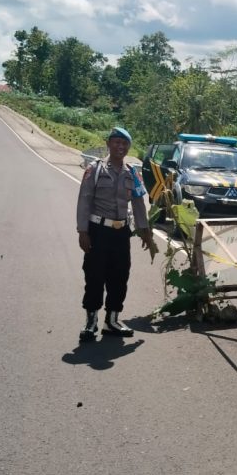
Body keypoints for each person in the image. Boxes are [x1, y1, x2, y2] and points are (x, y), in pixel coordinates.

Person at [76, 127, 157, 340]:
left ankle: (112, 321)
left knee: (120, 276)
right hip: (98, 231)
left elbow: (138, 203)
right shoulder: (95, 169)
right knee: (94, 275)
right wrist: (83, 231)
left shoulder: (132, 173)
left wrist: (145, 231)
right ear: (109, 144)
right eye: (116, 142)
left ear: (128, 147)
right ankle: (91, 322)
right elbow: (84, 200)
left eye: (124, 144)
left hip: (121, 233)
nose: (120, 147)